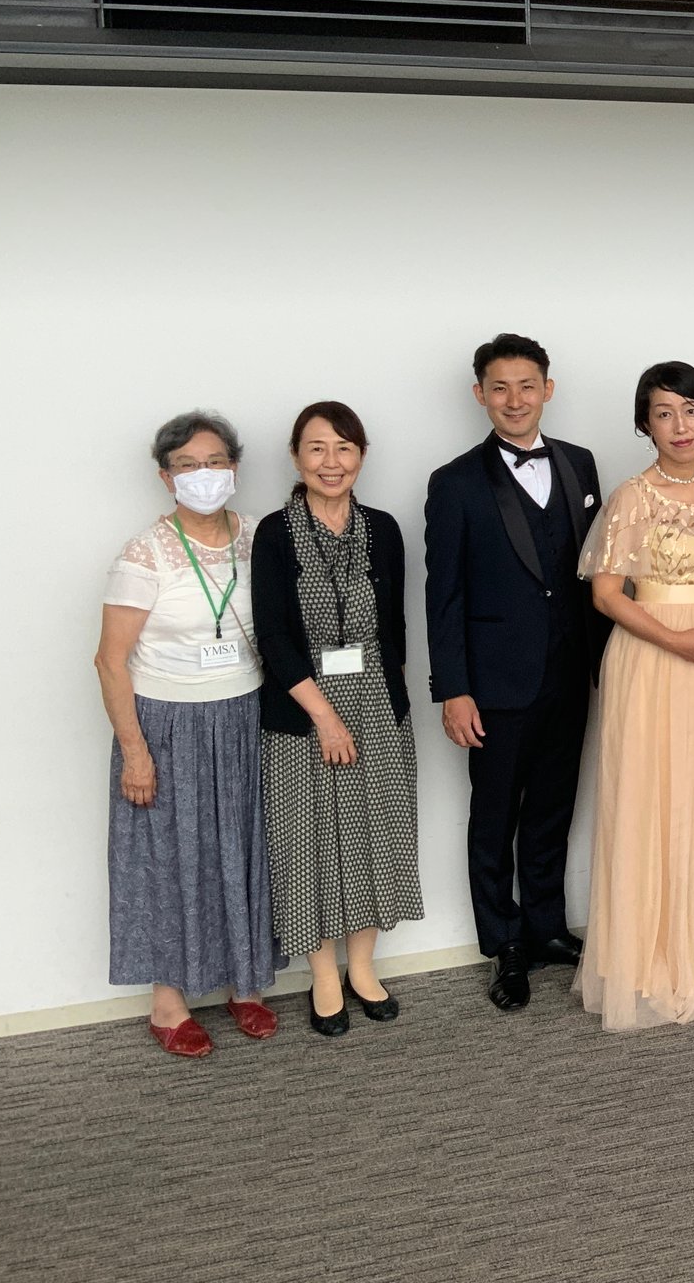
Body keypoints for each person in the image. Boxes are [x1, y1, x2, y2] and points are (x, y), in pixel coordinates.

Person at [425, 334, 607, 1013]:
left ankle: (547, 926)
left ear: (547, 390)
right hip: (496, 683)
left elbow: (593, 571)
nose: (514, 399)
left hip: (570, 671)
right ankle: (503, 943)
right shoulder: (454, 482)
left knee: (555, 806)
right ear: (480, 394)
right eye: (499, 387)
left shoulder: (581, 464)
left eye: (527, 385)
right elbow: (443, 596)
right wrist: (454, 689)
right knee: (495, 813)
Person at [580, 362, 694, 1030]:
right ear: (645, 424)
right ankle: (649, 956)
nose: (680, 425)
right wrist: (674, 640)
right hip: (651, 654)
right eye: (664, 413)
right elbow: (606, 594)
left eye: (690, 410)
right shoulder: (631, 496)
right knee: (649, 796)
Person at [95, 411, 282, 1056]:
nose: (203, 475)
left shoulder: (260, 537)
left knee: (245, 850)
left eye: (214, 462)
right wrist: (135, 752)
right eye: (187, 465)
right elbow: (109, 661)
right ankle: (168, 1002)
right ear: (165, 476)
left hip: (246, 717)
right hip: (166, 725)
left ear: (235, 467)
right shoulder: (143, 553)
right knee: (170, 861)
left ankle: (245, 984)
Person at [252, 402, 423, 1036]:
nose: (332, 462)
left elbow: (395, 626)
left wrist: (390, 700)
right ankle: (323, 975)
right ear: (296, 457)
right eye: (317, 448)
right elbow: (273, 636)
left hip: (376, 701)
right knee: (308, 841)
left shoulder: (384, 529)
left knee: (378, 833)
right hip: (303, 707)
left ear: (362, 456)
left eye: (344, 448)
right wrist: (324, 716)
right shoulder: (274, 533)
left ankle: (362, 968)